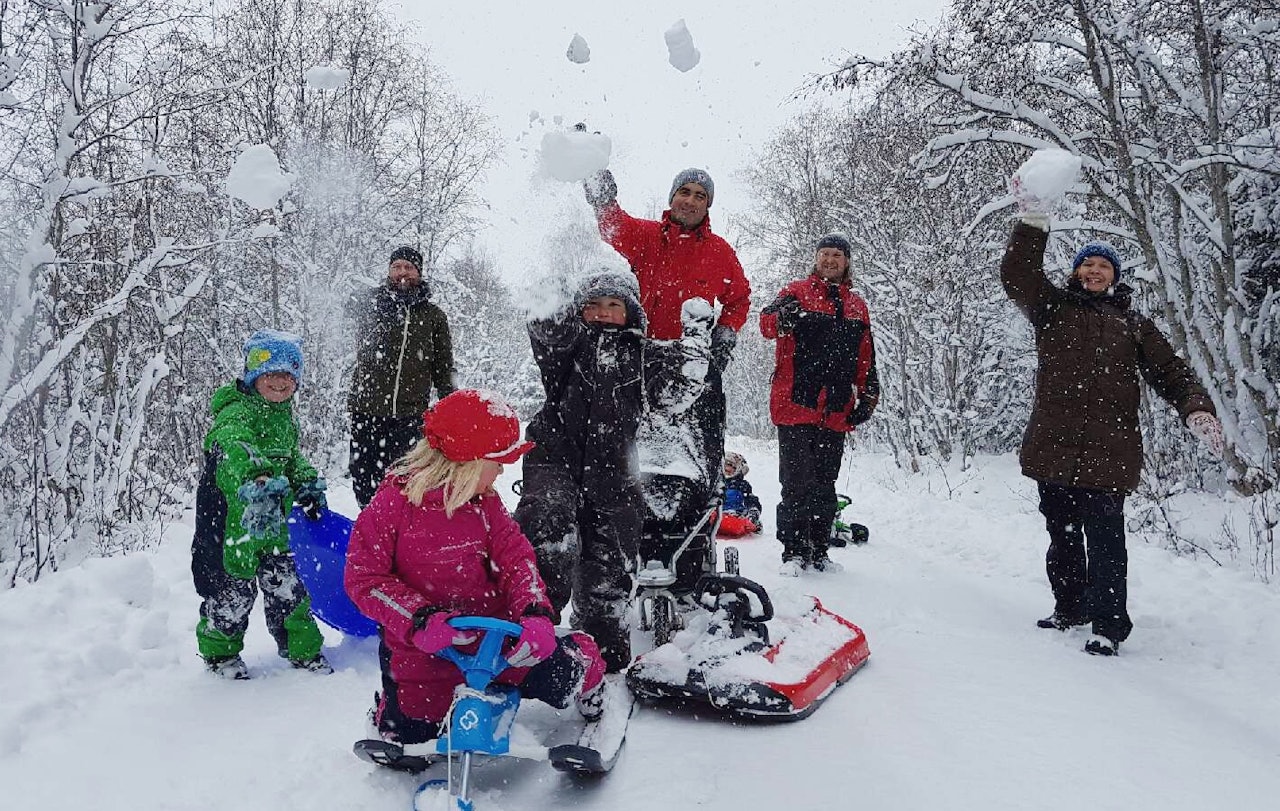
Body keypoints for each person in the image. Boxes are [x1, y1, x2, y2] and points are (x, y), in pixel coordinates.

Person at [1003, 191, 1225, 656]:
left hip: (1110, 451)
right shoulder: (1053, 311)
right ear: (1077, 272)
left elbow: (1172, 373)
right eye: (1088, 265)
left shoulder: (1135, 325)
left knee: (1106, 543)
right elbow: (1019, 275)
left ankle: (1108, 625)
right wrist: (1033, 220)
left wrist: (1195, 408)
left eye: (1104, 266)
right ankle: (1070, 607)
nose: (1095, 271)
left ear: (1115, 277)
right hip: (1055, 445)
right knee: (1061, 536)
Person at [345, 389, 608, 753]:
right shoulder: (394, 504)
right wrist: (420, 619)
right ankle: (393, 712)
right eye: (497, 461)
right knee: (412, 731)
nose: (502, 470)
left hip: (497, 643)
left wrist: (534, 614)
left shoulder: (486, 505)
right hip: (426, 648)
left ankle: (583, 657)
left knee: (559, 678)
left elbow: (517, 563)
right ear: (466, 462)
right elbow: (365, 579)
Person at [514, 270, 709, 673]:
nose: (603, 313)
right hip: (555, 457)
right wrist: (549, 292)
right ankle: (529, 631)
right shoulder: (568, 346)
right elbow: (546, 332)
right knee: (548, 528)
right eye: (594, 305)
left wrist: (695, 344)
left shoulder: (645, 354)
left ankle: (601, 654)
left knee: (609, 567)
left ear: (630, 311)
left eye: (613, 305)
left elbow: (673, 396)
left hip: (616, 471)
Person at [584, 166, 751, 486]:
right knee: (626, 444)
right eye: (684, 192)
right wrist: (602, 199)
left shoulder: (720, 252)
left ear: (708, 205)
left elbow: (740, 298)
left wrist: (726, 332)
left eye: (700, 195)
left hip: (691, 364)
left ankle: (704, 498)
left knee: (695, 445)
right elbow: (612, 227)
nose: (690, 200)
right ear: (672, 197)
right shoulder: (645, 236)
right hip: (639, 357)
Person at [191, 329, 332, 679]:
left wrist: (306, 482)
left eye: (287, 375)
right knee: (231, 594)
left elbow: (290, 458)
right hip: (235, 525)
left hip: (275, 525)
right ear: (254, 376)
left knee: (289, 589)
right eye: (271, 374)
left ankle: (301, 649)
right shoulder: (236, 410)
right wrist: (257, 476)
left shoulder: (284, 415)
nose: (280, 383)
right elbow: (233, 443)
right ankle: (220, 654)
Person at [760, 234, 879, 577]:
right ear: (816, 258)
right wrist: (782, 316)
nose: (830, 260)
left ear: (846, 261)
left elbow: (865, 355)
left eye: (837, 255)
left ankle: (819, 549)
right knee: (796, 482)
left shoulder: (857, 305)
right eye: (824, 254)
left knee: (825, 483)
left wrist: (869, 391)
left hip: (837, 409)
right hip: (796, 404)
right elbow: (766, 326)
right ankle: (794, 553)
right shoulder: (795, 292)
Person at [348, 246, 455, 508]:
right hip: (367, 411)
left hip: (410, 415)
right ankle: (368, 529)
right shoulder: (372, 304)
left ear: (419, 273)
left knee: (404, 483)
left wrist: (450, 405)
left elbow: (443, 366)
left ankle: (398, 538)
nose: (402, 272)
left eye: (409, 267)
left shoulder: (433, 317)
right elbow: (342, 321)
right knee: (364, 480)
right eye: (397, 267)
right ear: (389, 271)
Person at [719, 451, 763, 536]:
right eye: (726, 464)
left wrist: (753, 511)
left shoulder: (742, 485)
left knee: (738, 522)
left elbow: (750, 499)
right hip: (716, 514)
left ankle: (751, 524)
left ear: (738, 469)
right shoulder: (716, 483)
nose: (727, 468)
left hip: (735, 515)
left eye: (732, 466)